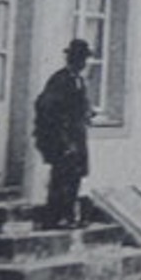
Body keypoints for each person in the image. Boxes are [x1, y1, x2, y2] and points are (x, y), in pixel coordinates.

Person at [34, 39, 93, 229]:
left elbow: (78, 106)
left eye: (84, 59)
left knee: (75, 177)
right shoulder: (60, 80)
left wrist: (86, 113)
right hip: (63, 138)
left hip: (77, 135)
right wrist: (63, 139)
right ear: (72, 59)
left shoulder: (79, 81)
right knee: (60, 178)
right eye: (80, 58)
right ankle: (53, 218)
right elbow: (46, 108)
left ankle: (68, 216)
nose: (83, 63)